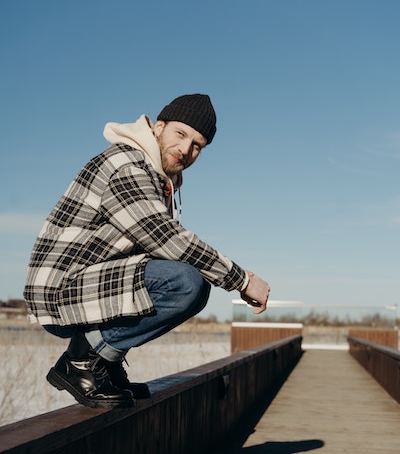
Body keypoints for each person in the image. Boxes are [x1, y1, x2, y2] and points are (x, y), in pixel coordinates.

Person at [24, 94, 270, 408]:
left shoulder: (159, 176)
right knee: (184, 283)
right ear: (158, 128)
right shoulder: (126, 163)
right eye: (180, 135)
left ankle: (105, 362)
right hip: (64, 289)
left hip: (91, 284)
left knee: (185, 279)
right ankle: (82, 361)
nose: (186, 150)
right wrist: (241, 280)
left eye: (197, 145)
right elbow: (164, 238)